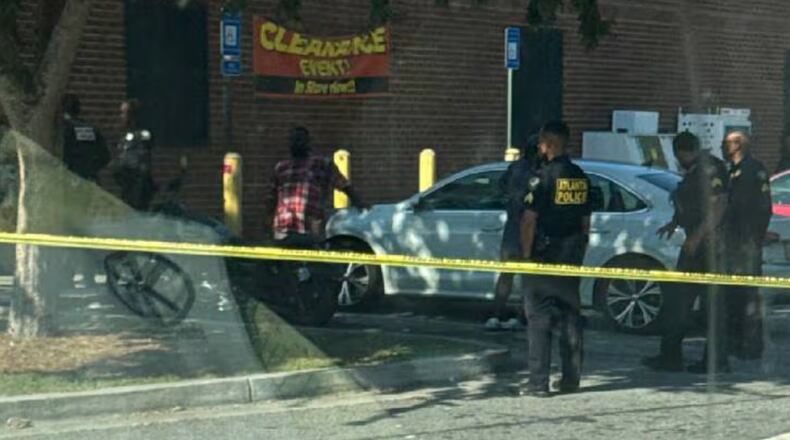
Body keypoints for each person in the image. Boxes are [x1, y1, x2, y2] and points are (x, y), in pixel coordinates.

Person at [642, 131, 730, 373]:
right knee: (678, 301)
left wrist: (697, 237)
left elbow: (719, 204)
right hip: (696, 246)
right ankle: (670, 356)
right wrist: (675, 222)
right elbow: (693, 203)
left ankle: (715, 362)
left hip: (710, 248)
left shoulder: (709, 169)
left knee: (710, 306)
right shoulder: (693, 171)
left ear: (681, 151)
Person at [519, 121, 591, 397]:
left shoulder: (542, 177)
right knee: (570, 316)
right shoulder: (580, 176)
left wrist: (525, 257)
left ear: (548, 143)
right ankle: (571, 379)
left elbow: (529, 220)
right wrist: (579, 250)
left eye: (541, 143)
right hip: (571, 254)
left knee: (538, 317)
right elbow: (586, 221)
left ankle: (538, 383)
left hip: (544, 255)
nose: (539, 147)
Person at [268, 126, 367, 247]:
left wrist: (360, 203)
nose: (297, 143)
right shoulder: (281, 167)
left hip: (310, 228)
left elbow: (343, 184)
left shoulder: (321, 164)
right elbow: (271, 199)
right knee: (285, 263)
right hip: (284, 229)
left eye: (301, 139)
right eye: (294, 140)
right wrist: (268, 226)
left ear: (309, 142)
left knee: (312, 263)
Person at [720, 131, 772, 361]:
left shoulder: (751, 170)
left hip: (745, 243)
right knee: (734, 295)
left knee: (748, 296)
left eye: (726, 143)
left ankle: (750, 346)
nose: (723, 146)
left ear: (737, 145)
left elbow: (760, 208)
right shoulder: (733, 170)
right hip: (734, 242)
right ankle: (736, 342)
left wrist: (754, 238)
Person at [485, 134, 540, 331]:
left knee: (506, 275)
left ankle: (495, 315)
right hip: (532, 231)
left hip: (511, 227)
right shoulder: (540, 172)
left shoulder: (515, 168)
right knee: (528, 277)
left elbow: (500, 187)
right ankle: (520, 316)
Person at [112, 99, 156, 210]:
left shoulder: (142, 134)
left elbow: (140, 160)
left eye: (123, 113)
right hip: (126, 185)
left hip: (137, 186)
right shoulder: (126, 136)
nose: (121, 116)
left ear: (132, 115)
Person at [61, 94, 110, 183]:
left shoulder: (64, 129)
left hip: (69, 181)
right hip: (89, 179)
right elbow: (106, 156)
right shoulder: (91, 129)